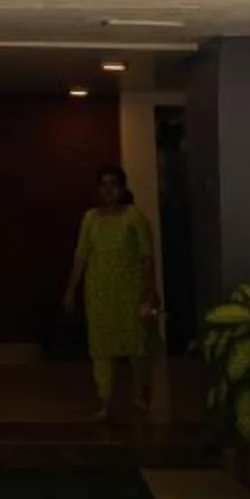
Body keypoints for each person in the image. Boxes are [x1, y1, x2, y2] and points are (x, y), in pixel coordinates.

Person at [62, 166, 161, 421]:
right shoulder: (90, 219)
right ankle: (104, 401)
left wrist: (149, 291)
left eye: (114, 184)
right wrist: (71, 289)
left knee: (136, 346)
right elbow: (81, 255)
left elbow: (147, 257)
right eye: (104, 185)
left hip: (131, 292)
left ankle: (140, 396)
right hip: (99, 292)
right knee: (101, 348)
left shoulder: (134, 217)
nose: (108, 190)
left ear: (122, 188)